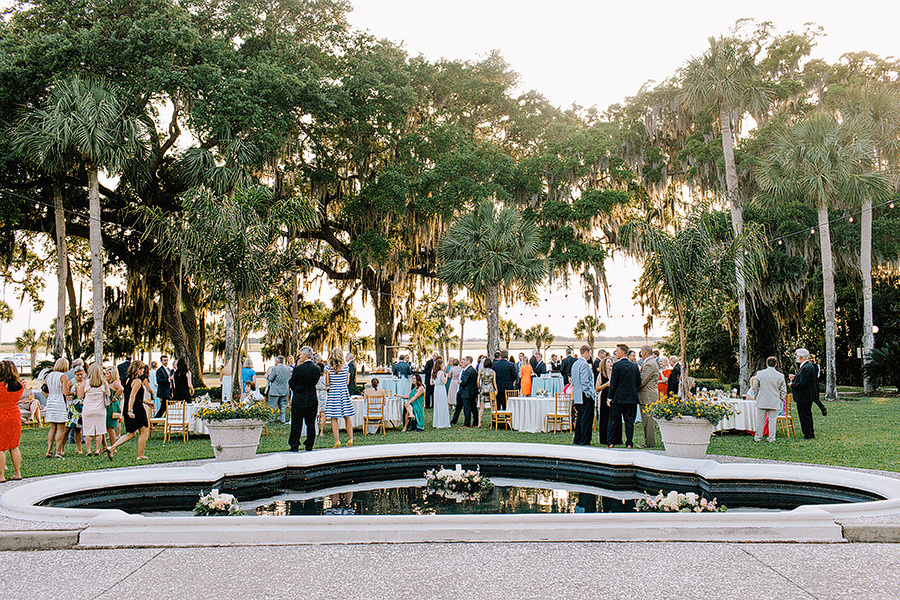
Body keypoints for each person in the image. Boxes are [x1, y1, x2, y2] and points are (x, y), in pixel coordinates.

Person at [108, 360, 154, 460]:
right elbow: (132, 396)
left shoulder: (127, 380)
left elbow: (136, 397)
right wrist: (130, 410)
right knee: (144, 430)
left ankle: (112, 447)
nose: (143, 370)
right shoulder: (137, 381)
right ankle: (140, 455)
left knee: (131, 433)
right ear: (138, 369)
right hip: (135, 408)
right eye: (141, 368)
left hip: (129, 406)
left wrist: (148, 403)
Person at [607, 344, 641, 449]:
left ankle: (611, 442)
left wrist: (609, 397)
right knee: (629, 421)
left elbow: (613, 383)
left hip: (618, 398)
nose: (615, 353)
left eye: (617, 351)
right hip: (631, 398)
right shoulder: (634, 366)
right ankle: (629, 443)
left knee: (613, 421)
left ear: (622, 353)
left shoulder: (617, 366)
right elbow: (638, 382)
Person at [752, 356, 787, 443]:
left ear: (766, 364)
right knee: (772, 420)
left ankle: (758, 437)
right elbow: (783, 390)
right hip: (774, 400)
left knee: (760, 420)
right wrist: (780, 399)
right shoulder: (780, 375)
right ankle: (772, 438)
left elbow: (755, 387)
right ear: (776, 364)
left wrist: (756, 396)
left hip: (762, 399)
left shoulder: (760, 374)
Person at [0, 360, 25, 481]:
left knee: (1, 447)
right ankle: (17, 472)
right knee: (14, 446)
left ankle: (1, 475)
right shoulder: (19, 386)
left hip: (1, 414)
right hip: (14, 414)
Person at [325, 349, 354, 448]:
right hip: (343, 391)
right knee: (347, 416)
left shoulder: (328, 368)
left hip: (334, 392)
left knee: (334, 417)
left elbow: (328, 383)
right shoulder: (346, 367)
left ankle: (337, 440)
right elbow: (347, 382)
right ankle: (350, 438)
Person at [79, 364, 110, 457]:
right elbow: (108, 395)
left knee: (88, 431)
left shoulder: (85, 383)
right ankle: (97, 450)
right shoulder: (104, 383)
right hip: (100, 410)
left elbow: (80, 396)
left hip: (88, 409)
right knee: (99, 431)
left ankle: (88, 450)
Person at [789, 348, 820, 440]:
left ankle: (808, 434)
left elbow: (803, 384)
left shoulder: (806, 367)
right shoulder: (807, 366)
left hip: (804, 396)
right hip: (805, 396)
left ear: (800, 356)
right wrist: (795, 378)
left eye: (797, 356)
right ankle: (808, 433)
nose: (796, 357)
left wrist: (792, 384)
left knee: (805, 415)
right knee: (806, 415)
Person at [44, 358, 70, 458]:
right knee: (61, 427)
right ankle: (58, 451)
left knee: (52, 427)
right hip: (59, 401)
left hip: (50, 400)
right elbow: (65, 392)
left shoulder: (49, 376)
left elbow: (45, 389)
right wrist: (72, 393)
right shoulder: (63, 377)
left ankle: (49, 450)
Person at [571, 345, 597, 446]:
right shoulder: (585, 365)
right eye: (590, 353)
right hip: (585, 395)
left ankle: (578, 438)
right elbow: (585, 381)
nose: (590, 355)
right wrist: (589, 394)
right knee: (586, 418)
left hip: (577, 395)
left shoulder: (575, 364)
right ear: (586, 352)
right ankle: (585, 440)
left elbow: (573, 381)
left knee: (580, 418)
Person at [595, 352, 621, 445]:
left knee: (616, 417)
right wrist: (606, 384)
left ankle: (616, 439)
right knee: (605, 417)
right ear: (604, 365)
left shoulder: (616, 373)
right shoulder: (601, 375)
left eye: (611, 362)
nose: (610, 364)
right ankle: (605, 438)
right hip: (605, 396)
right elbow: (597, 388)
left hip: (615, 397)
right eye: (608, 362)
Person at [637, 344, 660, 448]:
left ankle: (650, 443)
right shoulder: (650, 362)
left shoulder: (649, 364)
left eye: (641, 352)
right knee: (646, 421)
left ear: (645, 353)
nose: (641, 354)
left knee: (648, 422)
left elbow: (642, 381)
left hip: (648, 397)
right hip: (647, 396)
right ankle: (647, 441)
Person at [266, 355, 292, 424]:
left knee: (272, 406)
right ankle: (283, 419)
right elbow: (289, 377)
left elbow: (271, 379)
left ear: (277, 361)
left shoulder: (275, 369)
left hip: (275, 390)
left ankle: (271, 419)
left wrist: (267, 377)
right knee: (283, 406)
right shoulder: (288, 368)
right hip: (284, 389)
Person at [66, 366, 86, 454]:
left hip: (83, 405)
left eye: (81, 374)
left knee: (79, 428)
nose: (80, 377)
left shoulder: (85, 382)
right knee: (69, 427)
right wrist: (72, 394)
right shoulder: (71, 382)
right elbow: (66, 392)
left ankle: (79, 448)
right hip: (73, 407)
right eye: (78, 375)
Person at [104, 367, 125, 446]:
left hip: (112, 406)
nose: (106, 375)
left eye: (108, 374)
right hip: (108, 404)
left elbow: (121, 389)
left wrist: (115, 397)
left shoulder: (115, 382)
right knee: (107, 427)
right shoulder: (107, 383)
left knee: (110, 427)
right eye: (105, 373)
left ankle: (113, 445)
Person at [456, 357, 479, 427]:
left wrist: (460, 383)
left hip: (467, 392)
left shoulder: (468, 371)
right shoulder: (473, 370)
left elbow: (465, 381)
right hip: (472, 392)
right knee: (473, 408)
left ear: (468, 361)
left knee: (467, 409)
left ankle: (467, 424)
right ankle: (475, 422)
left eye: (465, 361)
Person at [432, 357, 450, 428]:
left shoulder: (434, 372)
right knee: (442, 405)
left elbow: (432, 382)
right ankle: (443, 422)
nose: (443, 365)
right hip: (441, 389)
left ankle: (437, 422)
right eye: (442, 364)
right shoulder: (441, 373)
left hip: (436, 389)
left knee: (437, 405)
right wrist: (447, 376)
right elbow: (444, 382)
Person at [477, 358, 496, 426]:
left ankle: (479, 422)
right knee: (493, 406)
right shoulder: (493, 372)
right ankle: (493, 421)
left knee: (482, 407)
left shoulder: (481, 371)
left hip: (483, 389)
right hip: (491, 389)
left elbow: (478, 381)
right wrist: (496, 389)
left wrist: (480, 388)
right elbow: (494, 382)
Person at [315, 361, 328, 435]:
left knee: (315, 413)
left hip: (316, 392)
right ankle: (321, 432)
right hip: (323, 393)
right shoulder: (325, 376)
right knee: (323, 414)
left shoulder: (314, 376)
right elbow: (328, 384)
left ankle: (316, 430)